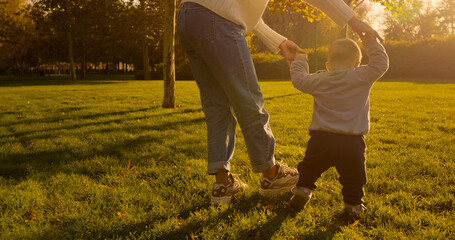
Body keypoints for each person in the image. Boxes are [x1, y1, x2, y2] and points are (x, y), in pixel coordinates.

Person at [176, 0, 384, 205]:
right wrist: (354, 22)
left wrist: (280, 42)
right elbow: (228, 9)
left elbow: (241, 8)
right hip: (218, 20)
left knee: (217, 106)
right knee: (249, 100)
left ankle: (223, 185)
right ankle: (271, 176)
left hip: (189, 17)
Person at [288, 35, 389, 215]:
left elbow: (299, 79)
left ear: (328, 65)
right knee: (354, 177)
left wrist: (300, 60)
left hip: (321, 139)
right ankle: (353, 206)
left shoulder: (320, 79)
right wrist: (371, 43)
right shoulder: (360, 75)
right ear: (357, 63)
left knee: (310, 167)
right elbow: (381, 64)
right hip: (351, 141)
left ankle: (303, 189)